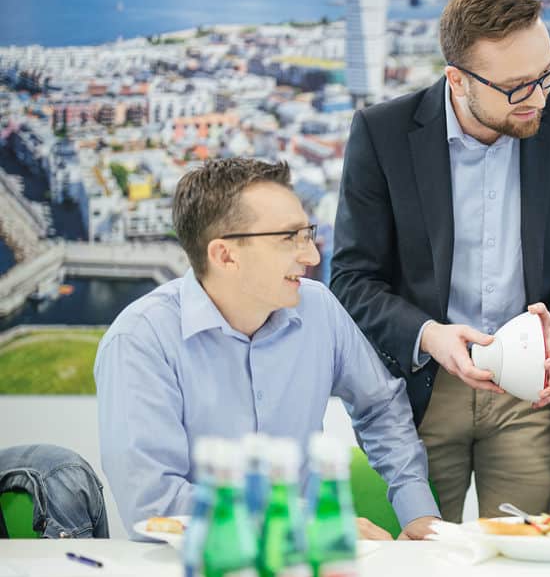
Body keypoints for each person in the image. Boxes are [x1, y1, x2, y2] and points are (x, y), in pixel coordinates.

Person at [332, 0, 550, 521]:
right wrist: (430, 336)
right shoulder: (382, 132)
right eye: (516, 87)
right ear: (457, 80)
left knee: (519, 574)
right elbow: (351, 278)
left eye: (545, 75)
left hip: (529, 396)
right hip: (420, 390)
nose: (537, 98)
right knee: (418, 568)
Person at [95, 158, 440, 540]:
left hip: (308, 575)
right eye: (288, 238)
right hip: (188, 576)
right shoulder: (140, 341)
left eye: (306, 234)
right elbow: (154, 507)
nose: (310, 256)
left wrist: (417, 512)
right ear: (225, 256)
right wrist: (306, 528)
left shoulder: (319, 309)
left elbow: (380, 407)